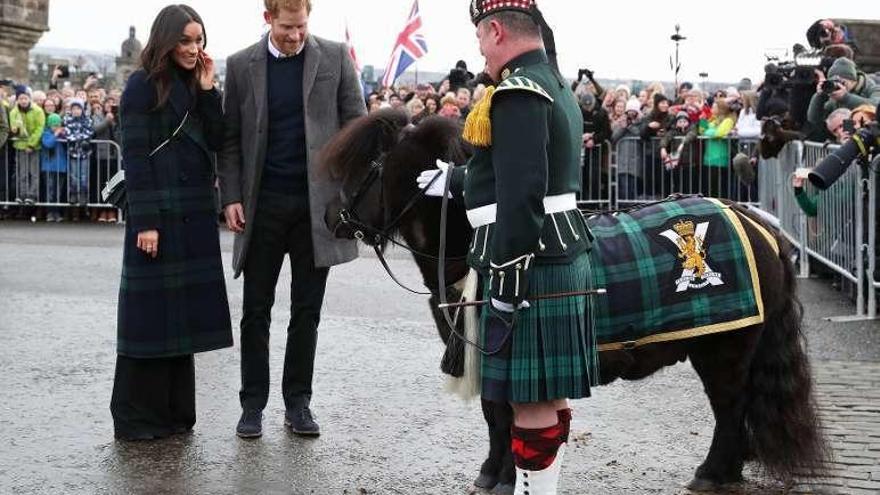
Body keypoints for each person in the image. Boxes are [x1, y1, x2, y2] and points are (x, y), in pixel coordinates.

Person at [417, 2, 593, 492]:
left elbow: (523, 190)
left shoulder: (517, 90)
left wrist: (508, 280)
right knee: (546, 396)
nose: (479, 50)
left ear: (495, 31)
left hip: (527, 259)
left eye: (479, 38)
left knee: (531, 399)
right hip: (555, 251)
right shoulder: (552, 81)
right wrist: (457, 179)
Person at [218, 0, 366, 439]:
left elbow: (357, 127)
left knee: (307, 312)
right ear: (268, 19)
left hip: (315, 211)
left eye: (301, 26)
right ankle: (252, 406)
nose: (295, 35)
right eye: (286, 27)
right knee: (255, 314)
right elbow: (229, 140)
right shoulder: (242, 64)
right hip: (261, 208)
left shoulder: (336, 57)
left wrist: (347, 195)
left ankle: (298, 403)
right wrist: (230, 196)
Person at [111, 4, 233, 441]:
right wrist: (144, 221)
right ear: (165, 40)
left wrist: (207, 89)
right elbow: (137, 158)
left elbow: (219, 140)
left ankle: (175, 414)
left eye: (198, 39)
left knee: (179, 320)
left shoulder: (194, 83)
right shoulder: (141, 85)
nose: (193, 48)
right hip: (157, 214)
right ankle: (138, 418)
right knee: (149, 318)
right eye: (184, 40)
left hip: (193, 211)